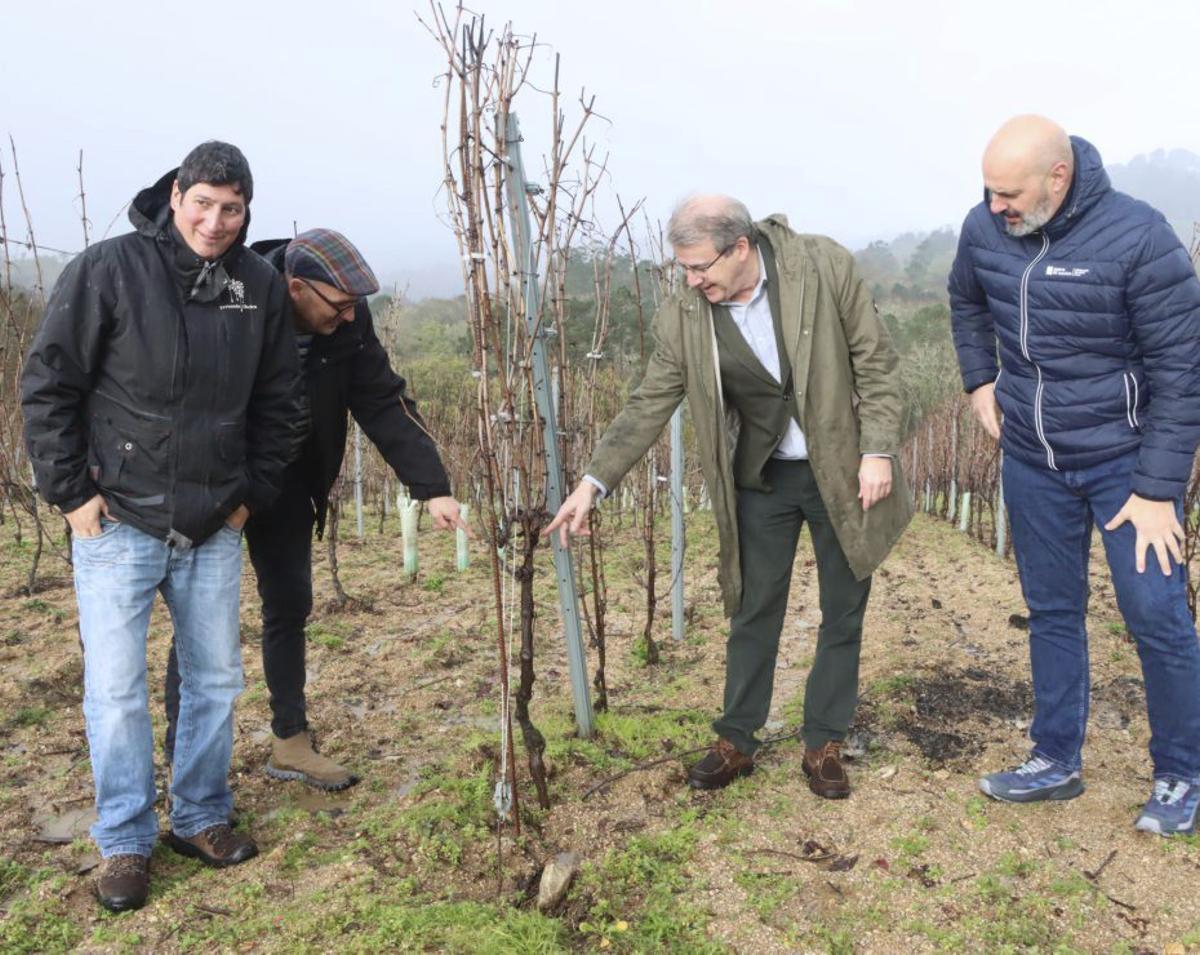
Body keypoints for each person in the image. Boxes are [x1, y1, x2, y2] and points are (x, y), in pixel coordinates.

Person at [547, 195, 911, 796]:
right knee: (751, 608)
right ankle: (737, 739)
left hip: (843, 473)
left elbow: (875, 359)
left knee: (842, 611)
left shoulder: (822, 267)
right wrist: (593, 481)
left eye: (700, 267)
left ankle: (823, 742)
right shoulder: (686, 313)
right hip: (762, 479)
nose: (692, 281)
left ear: (740, 247)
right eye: (683, 270)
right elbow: (649, 401)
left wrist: (878, 450)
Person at [21, 142, 300, 911]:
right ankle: (124, 839)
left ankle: (201, 816)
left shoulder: (258, 285)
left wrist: (251, 495)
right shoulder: (110, 269)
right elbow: (47, 385)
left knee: (214, 679)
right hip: (117, 522)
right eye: (203, 202)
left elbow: (282, 400)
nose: (215, 221)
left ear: (247, 212)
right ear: (175, 195)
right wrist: (72, 495)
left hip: (213, 522)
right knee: (115, 690)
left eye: (232, 208)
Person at [949, 115, 1200, 835]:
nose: (997, 207)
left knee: (1156, 615)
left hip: (1127, 466)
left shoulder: (1138, 238)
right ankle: (1054, 758)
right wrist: (978, 380)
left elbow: (1182, 374)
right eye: (989, 191)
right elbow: (965, 299)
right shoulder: (984, 226)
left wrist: (1157, 490)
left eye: (1009, 193)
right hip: (1033, 459)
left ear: (1057, 179)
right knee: (1052, 611)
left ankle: (1182, 773)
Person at [164, 228, 465, 791]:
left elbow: (381, 397)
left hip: (288, 483)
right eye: (341, 306)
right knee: (201, 623)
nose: (351, 318)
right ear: (294, 287)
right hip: (216, 487)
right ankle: (184, 756)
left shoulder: (349, 323)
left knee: (288, 606)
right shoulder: (234, 297)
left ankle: (291, 741)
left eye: (356, 307)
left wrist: (432, 485)